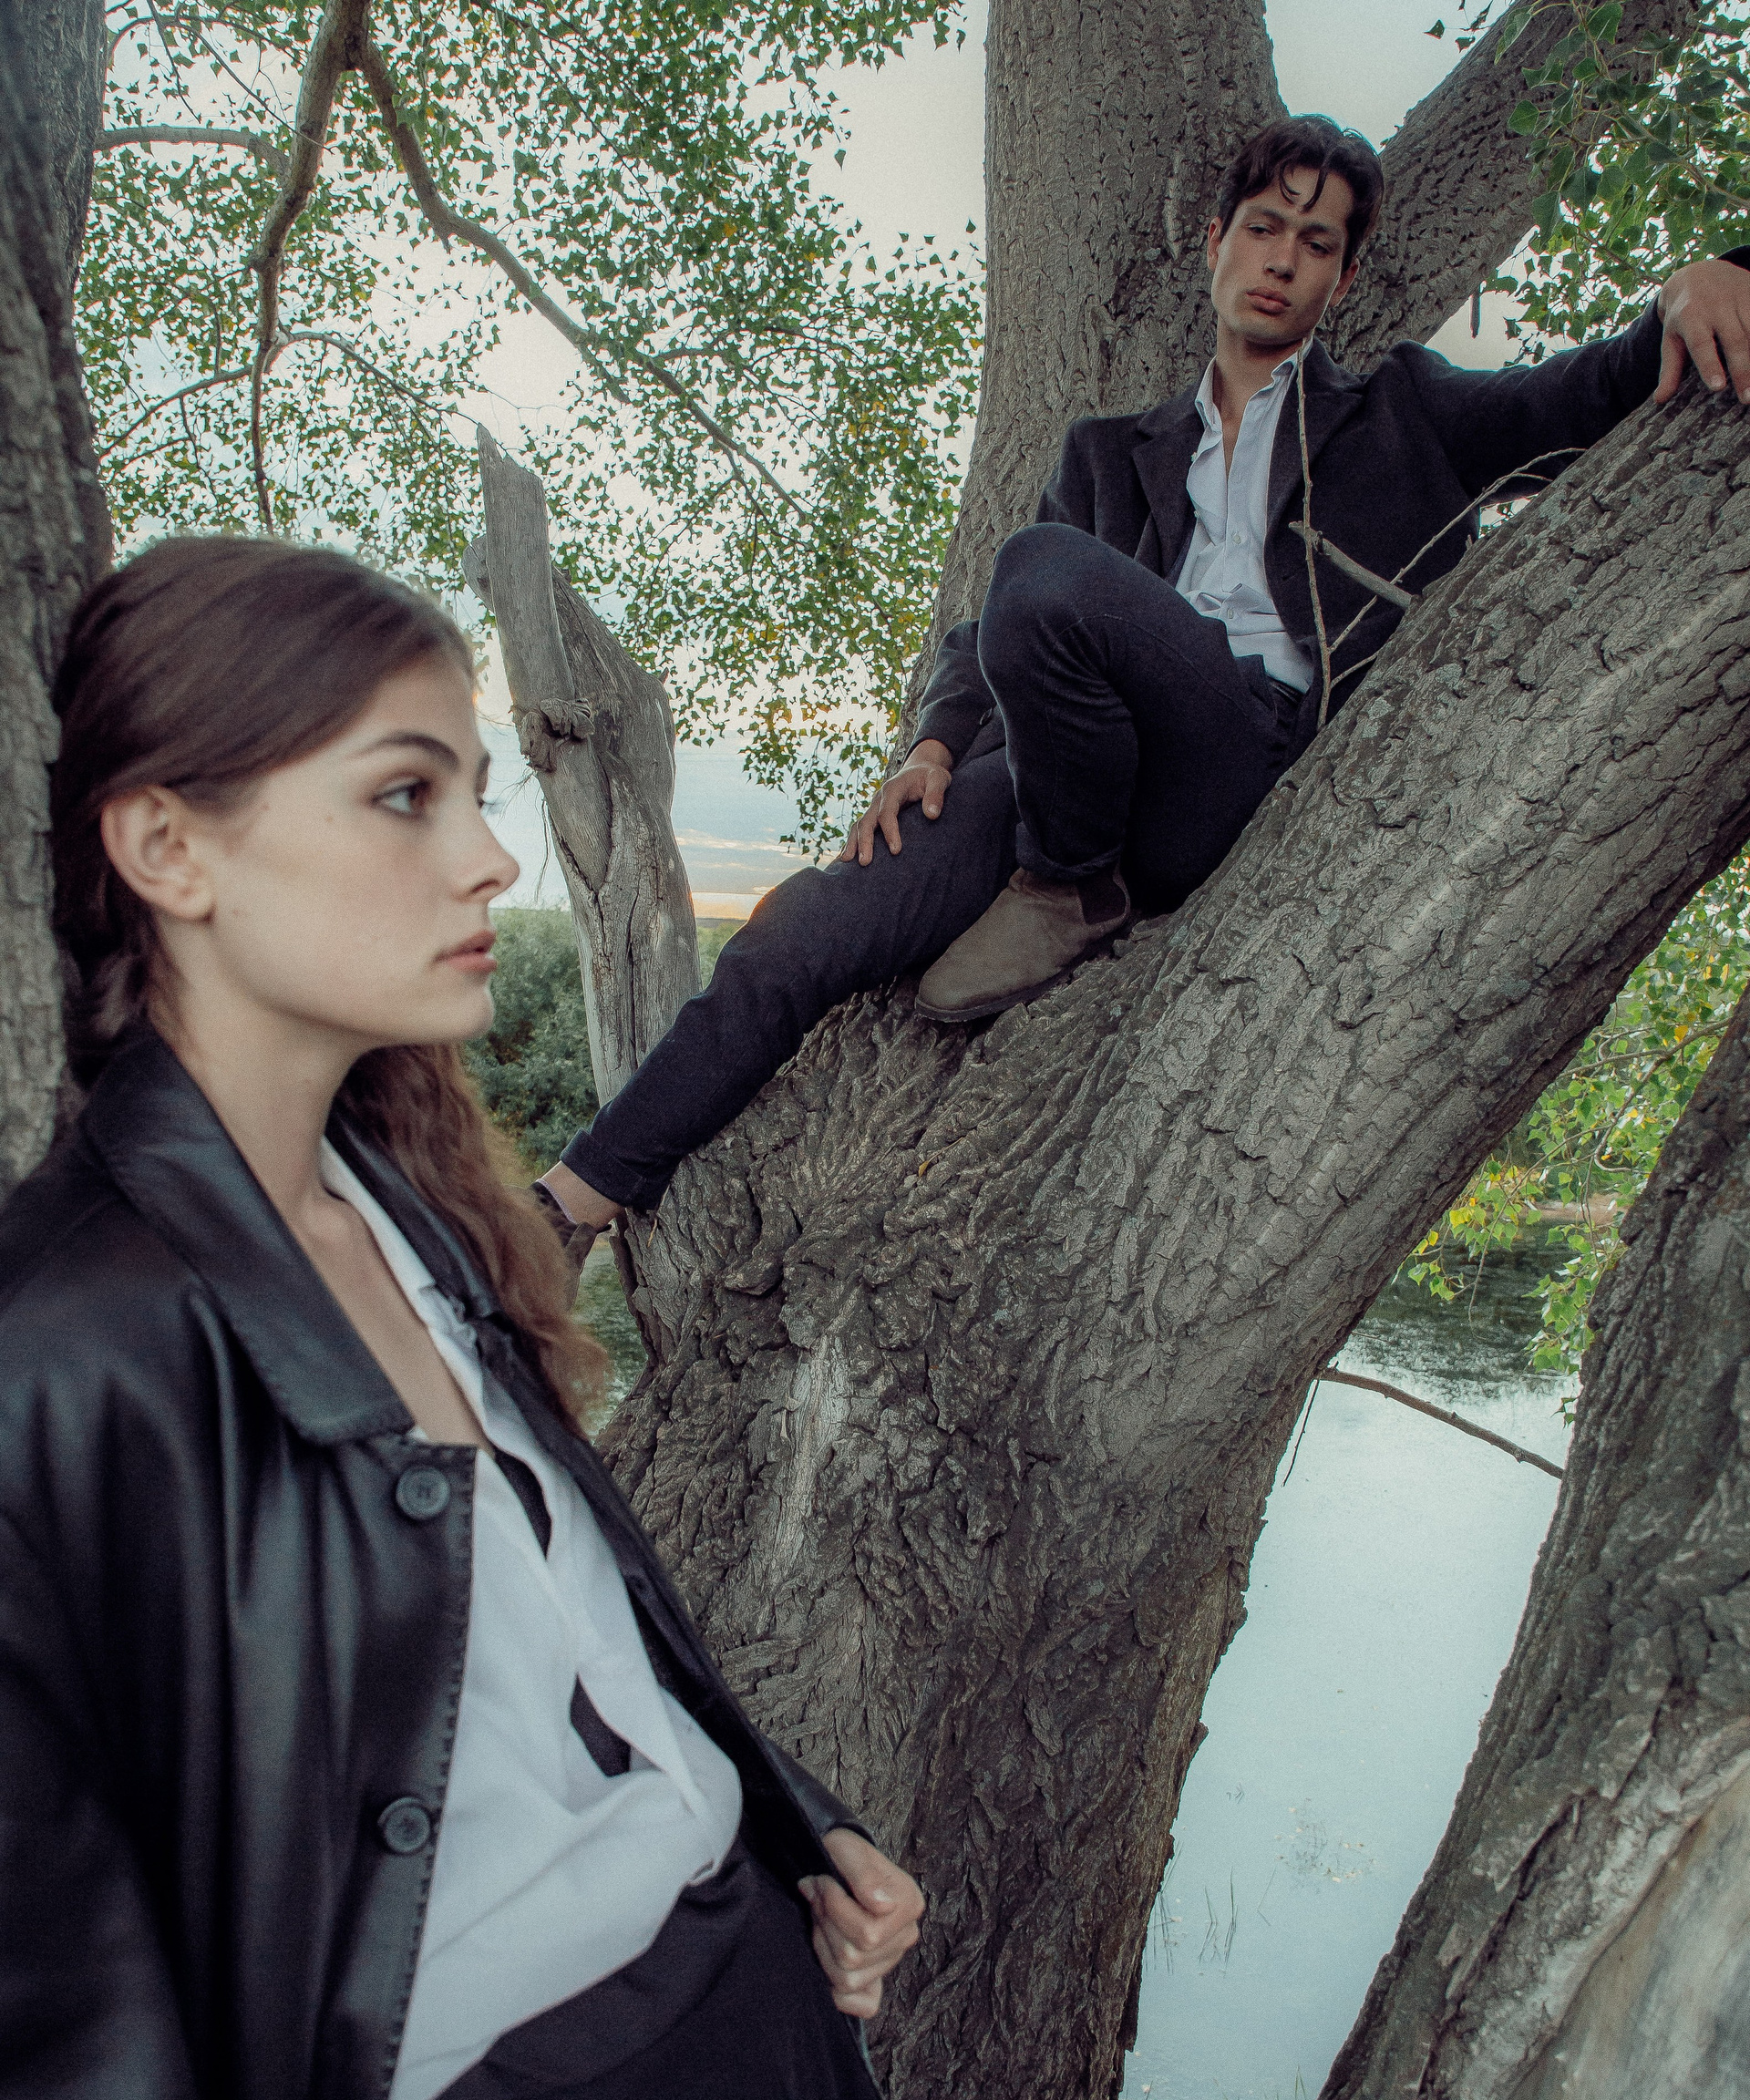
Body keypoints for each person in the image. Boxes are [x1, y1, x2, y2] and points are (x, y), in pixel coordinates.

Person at [0, 536, 928, 2100]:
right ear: (167, 848)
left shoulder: (400, 1206)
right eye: (403, 795)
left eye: (477, 795)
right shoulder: (61, 1351)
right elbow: (58, 2061)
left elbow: (559, 1639)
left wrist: (788, 1825)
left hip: (758, 2039)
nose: (493, 859)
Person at [531, 113, 1750, 1264]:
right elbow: (985, 638)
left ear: (1341, 278)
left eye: (1315, 243)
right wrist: (933, 747)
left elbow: (1577, 397)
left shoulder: (1405, 413)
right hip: (1057, 773)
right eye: (1263, 228)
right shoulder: (1106, 454)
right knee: (806, 922)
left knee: (1044, 571)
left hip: (1231, 761)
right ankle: (569, 1205)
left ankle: (1067, 890)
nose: (1282, 260)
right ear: (1216, 243)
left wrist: (1701, 281)